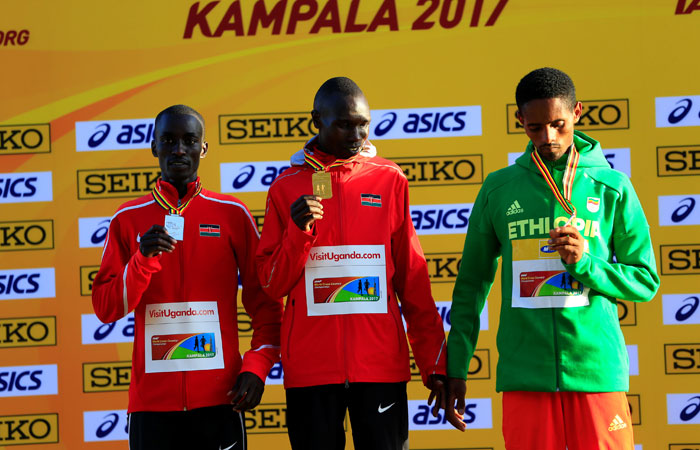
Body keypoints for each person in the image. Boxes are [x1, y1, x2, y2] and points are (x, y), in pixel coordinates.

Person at [444, 68, 660, 449]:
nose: (548, 138)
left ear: (577, 112)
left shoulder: (611, 186)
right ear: (519, 121)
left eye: (559, 125)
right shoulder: (499, 188)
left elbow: (645, 281)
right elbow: (472, 283)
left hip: (595, 371)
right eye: (535, 128)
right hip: (525, 374)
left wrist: (587, 264)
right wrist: (456, 367)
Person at [256, 77, 447, 450]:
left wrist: (434, 364)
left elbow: (413, 279)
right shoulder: (285, 187)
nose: (356, 133)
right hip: (311, 371)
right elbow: (272, 284)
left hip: (379, 367)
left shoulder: (389, 179)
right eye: (344, 123)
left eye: (363, 123)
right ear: (316, 120)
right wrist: (297, 232)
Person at [92, 104, 282, 450]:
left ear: (203, 148)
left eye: (189, 141)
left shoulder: (232, 214)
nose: (179, 149)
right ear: (153, 146)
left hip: (220, 399)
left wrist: (256, 366)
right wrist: (142, 260)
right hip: (152, 406)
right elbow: (106, 309)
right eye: (168, 140)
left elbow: (266, 305)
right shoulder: (127, 218)